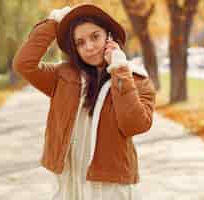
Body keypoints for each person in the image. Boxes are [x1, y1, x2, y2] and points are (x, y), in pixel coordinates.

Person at [13, 3, 156, 200]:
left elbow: (135, 124)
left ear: (109, 36)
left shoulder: (136, 78)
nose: (88, 47)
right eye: (80, 42)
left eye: (95, 36)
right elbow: (24, 64)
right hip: (71, 181)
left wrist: (119, 69)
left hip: (111, 185)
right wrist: (54, 23)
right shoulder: (62, 76)